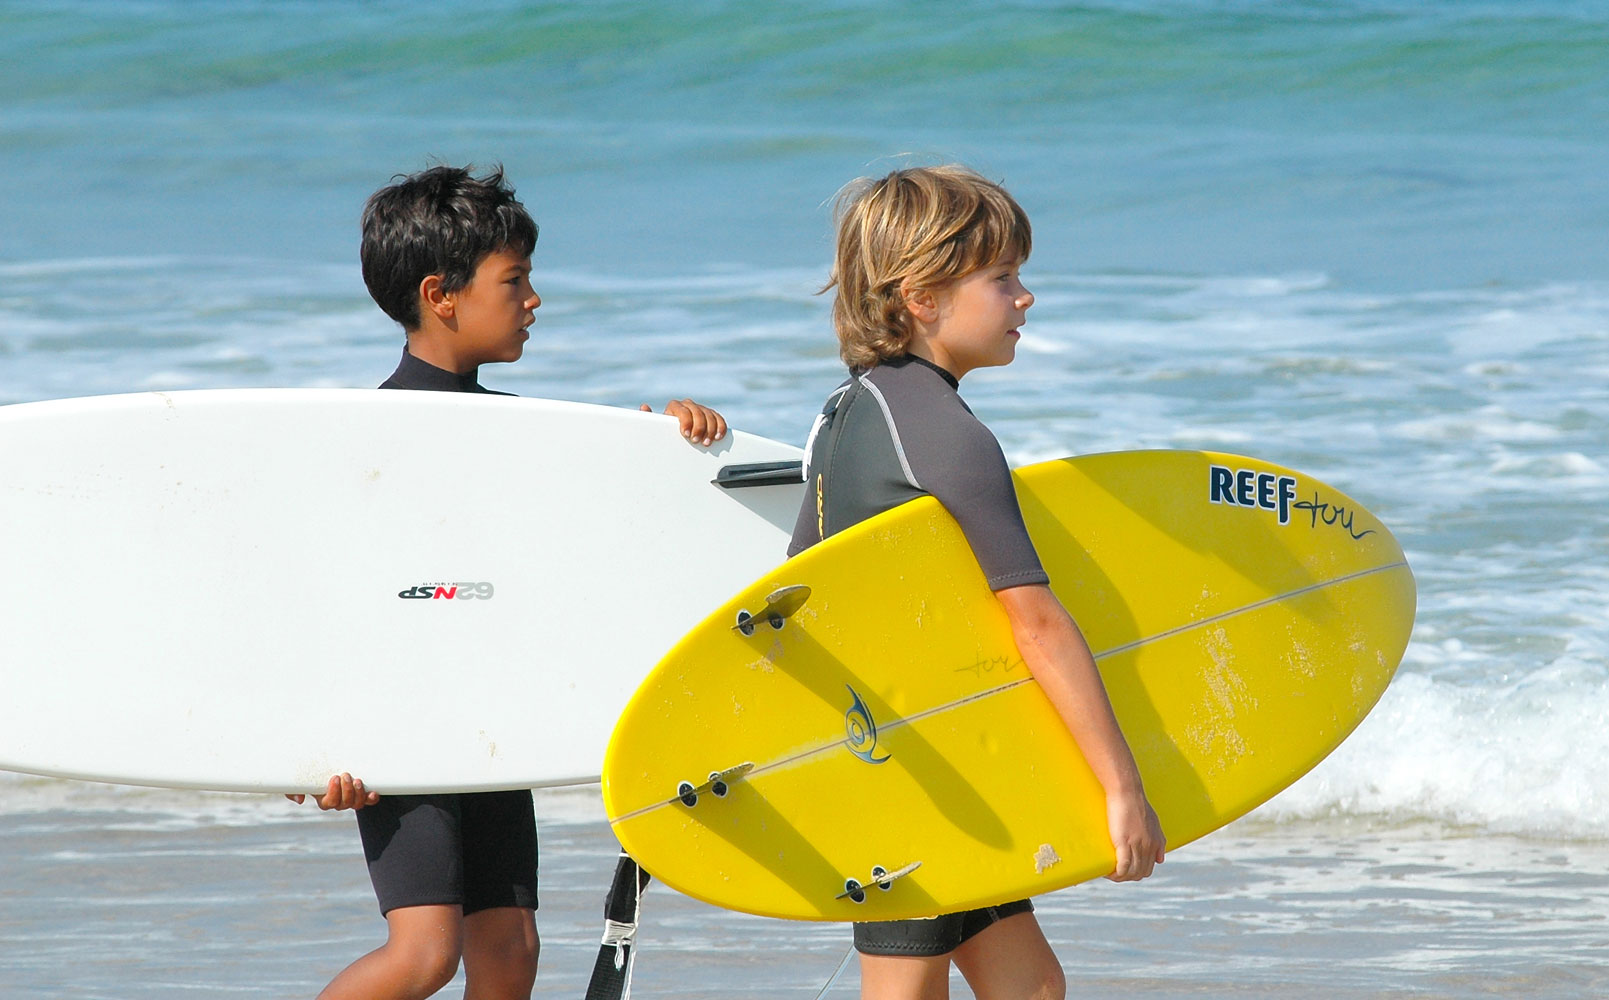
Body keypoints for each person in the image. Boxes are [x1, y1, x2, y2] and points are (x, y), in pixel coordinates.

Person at [287, 164, 726, 1000]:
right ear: (440, 295)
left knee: (511, 948)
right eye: (514, 280)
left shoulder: (516, 434)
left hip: (489, 715)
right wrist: (317, 739)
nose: (534, 299)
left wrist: (659, 451)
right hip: (398, 721)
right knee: (423, 955)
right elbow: (327, 594)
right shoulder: (365, 440)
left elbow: (577, 544)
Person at [788, 164, 1166, 1000]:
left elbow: (798, 594)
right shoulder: (948, 434)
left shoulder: (843, 412)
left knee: (1031, 986)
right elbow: (1035, 621)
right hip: (909, 772)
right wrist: (1122, 787)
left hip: (902, 748)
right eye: (1003, 278)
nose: (1025, 298)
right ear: (922, 297)